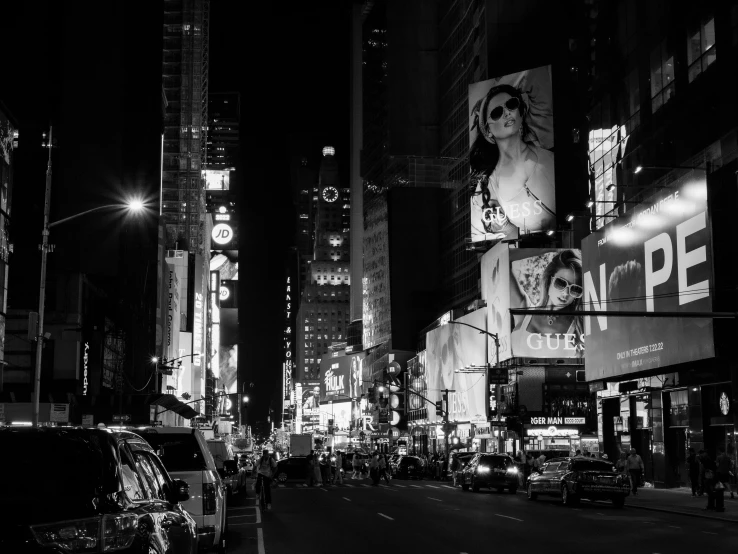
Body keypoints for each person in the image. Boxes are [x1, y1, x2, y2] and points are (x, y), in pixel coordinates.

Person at [469, 76, 555, 242]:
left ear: (521, 112)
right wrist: (509, 230)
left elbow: (532, 76)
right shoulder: (489, 187)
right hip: (538, 247)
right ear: (487, 131)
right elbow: (482, 236)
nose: (507, 112)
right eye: (496, 113)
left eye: (511, 105)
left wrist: (497, 90)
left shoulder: (545, 141)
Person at [510, 250, 584, 358]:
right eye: (561, 283)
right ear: (549, 280)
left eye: (574, 289)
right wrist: (550, 248)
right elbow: (504, 258)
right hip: (512, 373)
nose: (565, 293)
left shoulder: (577, 329)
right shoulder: (523, 311)